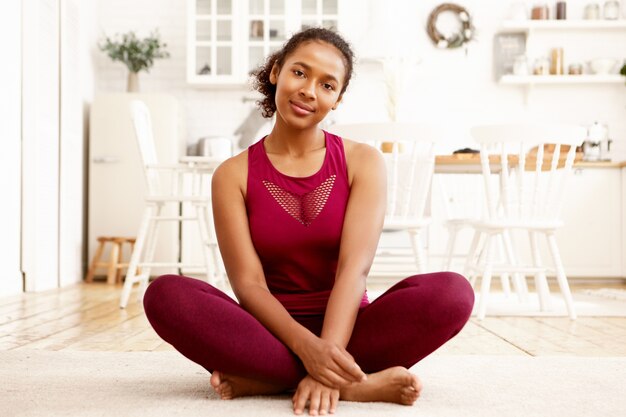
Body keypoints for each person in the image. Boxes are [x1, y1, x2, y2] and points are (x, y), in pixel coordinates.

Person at [143, 27, 474, 415]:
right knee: (164, 295)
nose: (309, 91)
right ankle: (355, 384)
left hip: (352, 326)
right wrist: (308, 351)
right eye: (299, 73)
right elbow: (248, 286)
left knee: (453, 292)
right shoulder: (231, 175)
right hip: (267, 331)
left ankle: (270, 381)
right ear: (275, 72)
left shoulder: (362, 162)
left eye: (327, 85)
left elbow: (355, 270)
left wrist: (325, 358)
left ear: (336, 100)